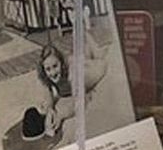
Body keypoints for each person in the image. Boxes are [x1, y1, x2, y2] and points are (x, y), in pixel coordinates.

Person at [21, 10, 109, 143]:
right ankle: (78, 26)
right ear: (43, 69)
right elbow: (48, 96)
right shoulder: (46, 76)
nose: (52, 72)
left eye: (55, 66)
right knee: (80, 53)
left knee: (97, 56)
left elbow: (82, 101)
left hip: (92, 71)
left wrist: (61, 116)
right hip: (74, 63)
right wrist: (50, 108)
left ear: (61, 65)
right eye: (48, 69)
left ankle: (82, 26)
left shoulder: (73, 77)